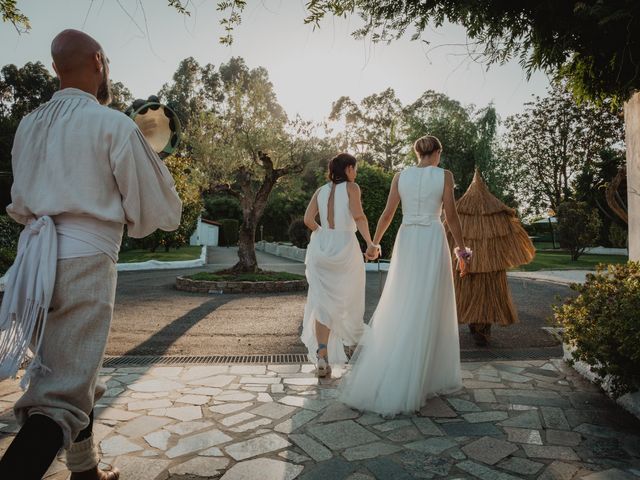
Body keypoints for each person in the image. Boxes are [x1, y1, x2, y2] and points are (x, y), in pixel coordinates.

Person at [0, 29, 182, 480]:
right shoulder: (113, 123)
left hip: (36, 263)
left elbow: (20, 202)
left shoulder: (28, 123)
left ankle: (85, 469)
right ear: (98, 61)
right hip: (85, 263)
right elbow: (165, 211)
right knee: (61, 396)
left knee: (72, 370)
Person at [339, 135, 469, 416]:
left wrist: (373, 244)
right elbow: (451, 214)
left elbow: (387, 214)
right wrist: (460, 249)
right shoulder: (444, 175)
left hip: (408, 238)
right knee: (430, 302)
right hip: (433, 239)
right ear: (437, 152)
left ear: (417, 153)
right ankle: (425, 376)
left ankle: (402, 369)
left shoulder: (401, 176)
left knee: (404, 299)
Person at [301, 153, 376, 377]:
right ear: (349, 169)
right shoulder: (352, 188)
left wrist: (323, 234)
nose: (356, 172)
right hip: (345, 246)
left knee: (322, 302)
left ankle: (322, 355)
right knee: (349, 297)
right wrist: (371, 243)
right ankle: (353, 342)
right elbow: (359, 217)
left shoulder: (320, 191)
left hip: (323, 248)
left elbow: (307, 220)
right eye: (355, 168)